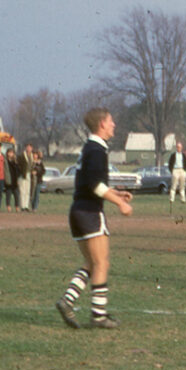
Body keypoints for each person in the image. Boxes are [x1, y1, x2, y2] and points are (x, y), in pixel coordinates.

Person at [55, 108, 133, 329]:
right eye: (111, 121)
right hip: (89, 212)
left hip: (78, 211)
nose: (114, 124)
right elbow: (96, 186)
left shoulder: (90, 148)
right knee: (101, 263)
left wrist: (116, 194)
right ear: (101, 124)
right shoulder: (97, 150)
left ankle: (67, 301)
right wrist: (121, 204)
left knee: (91, 263)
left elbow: (90, 184)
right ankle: (98, 316)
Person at [167, 140, 186, 209]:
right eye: (178, 147)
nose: (179, 148)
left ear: (181, 148)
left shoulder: (183, 155)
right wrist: (172, 170)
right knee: (174, 185)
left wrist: (185, 171)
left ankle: (183, 199)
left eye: (180, 147)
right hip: (175, 170)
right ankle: (171, 199)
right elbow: (170, 163)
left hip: (182, 170)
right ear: (176, 148)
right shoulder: (173, 155)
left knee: (182, 186)